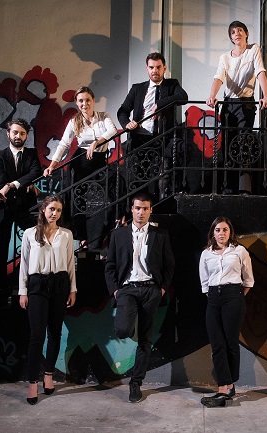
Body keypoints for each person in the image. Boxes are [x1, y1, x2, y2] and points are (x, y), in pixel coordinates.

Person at [104, 192, 175, 403]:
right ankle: (129, 320)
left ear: (150, 210)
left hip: (151, 290)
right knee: (123, 329)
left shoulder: (160, 234)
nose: (141, 212)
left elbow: (169, 265)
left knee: (145, 339)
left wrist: (162, 289)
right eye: (137, 208)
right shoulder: (118, 235)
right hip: (127, 289)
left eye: (145, 208)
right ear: (132, 209)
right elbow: (110, 265)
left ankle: (136, 383)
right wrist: (115, 290)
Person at [18, 195, 76, 405]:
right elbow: (24, 263)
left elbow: (70, 264)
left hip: (60, 284)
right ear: (43, 209)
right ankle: (33, 382)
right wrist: (22, 291)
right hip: (37, 284)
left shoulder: (66, 234)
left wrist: (72, 289)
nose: (55, 213)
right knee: (36, 335)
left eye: (58, 210)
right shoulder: (30, 234)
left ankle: (49, 375)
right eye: (52, 209)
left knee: (55, 333)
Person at [43, 87, 118, 250]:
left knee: (109, 194)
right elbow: (64, 144)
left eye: (88, 100)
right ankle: (82, 237)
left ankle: (102, 234)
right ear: (77, 103)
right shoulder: (74, 121)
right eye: (81, 101)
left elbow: (112, 130)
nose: (85, 104)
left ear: (93, 100)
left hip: (99, 161)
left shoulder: (103, 116)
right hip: (80, 163)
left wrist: (96, 142)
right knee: (78, 200)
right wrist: (51, 165)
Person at [206, 20, 267, 194]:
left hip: (246, 102)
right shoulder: (225, 57)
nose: (237, 34)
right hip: (229, 103)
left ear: (246, 33)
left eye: (240, 30)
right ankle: (228, 186)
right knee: (228, 143)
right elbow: (219, 77)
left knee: (244, 143)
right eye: (233, 32)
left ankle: (244, 187)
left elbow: (260, 71)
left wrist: (266, 95)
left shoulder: (253, 50)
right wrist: (212, 95)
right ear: (231, 37)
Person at [199, 216, 254, 408]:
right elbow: (204, 282)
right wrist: (216, 296)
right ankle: (226, 387)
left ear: (230, 232)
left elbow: (249, 280)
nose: (221, 233)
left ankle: (227, 386)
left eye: (225, 230)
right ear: (212, 233)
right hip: (214, 298)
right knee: (217, 344)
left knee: (230, 342)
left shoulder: (239, 251)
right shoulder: (206, 254)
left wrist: (236, 297)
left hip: (234, 296)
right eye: (218, 230)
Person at [0, 118, 42, 304]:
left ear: (26, 135)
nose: (18, 136)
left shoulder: (31, 154)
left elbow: (36, 173)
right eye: (15, 132)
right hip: (2, 208)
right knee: (0, 250)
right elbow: (0, 180)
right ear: (8, 134)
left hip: (24, 207)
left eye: (22, 133)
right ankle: (0, 291)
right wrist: (25, 183)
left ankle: (30, 285)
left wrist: (12, 185)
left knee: (35, 244)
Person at [117, 52, 188, 151]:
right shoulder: (137, 88)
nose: (155, 71)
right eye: (151, 67)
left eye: (158, 67)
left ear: (164, 68)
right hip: (140, 137)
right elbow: (122, 110)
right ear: (147, 69)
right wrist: (127, 124)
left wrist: (159, 104)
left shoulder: (171, 84)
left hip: (164, 138)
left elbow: (183, 97)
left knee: (182, 149)